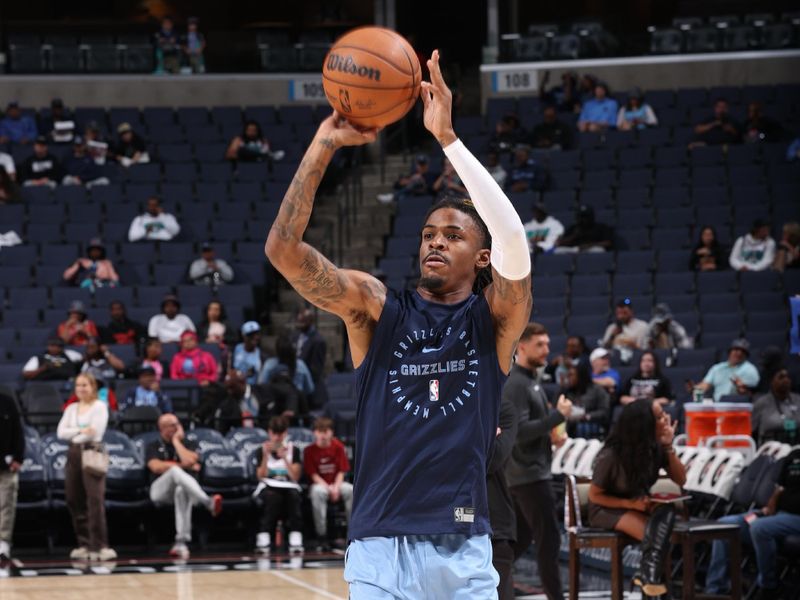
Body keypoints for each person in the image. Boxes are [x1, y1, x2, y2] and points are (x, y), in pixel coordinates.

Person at [265, 50, 531, 597]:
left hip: (462, 546)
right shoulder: (377, 308)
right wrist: (324, 144)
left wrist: (449, 140)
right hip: (379, 543)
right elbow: (283, 250)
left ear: (483, 258)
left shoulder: (494, 319)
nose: (436, 240)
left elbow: (515, 243)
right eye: (429, 232)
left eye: (454, 236)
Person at [588, 399, 686, 596]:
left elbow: (680, 479)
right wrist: (628, 503)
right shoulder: (612, 455)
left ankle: (647, 577)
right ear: (644, 424)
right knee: (655, 539)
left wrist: (668, 447)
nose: (666, 418)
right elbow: (594, 495)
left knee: (666, 511)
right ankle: (655, 586)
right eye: (659, 417)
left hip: (637, 504)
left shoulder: (655, 447)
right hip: (607, 508)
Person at [504, 323, 572, 600]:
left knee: (518, 543)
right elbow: (518, 433)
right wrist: (558, 416)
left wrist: (551, 436)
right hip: (529, 476)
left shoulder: (531, 380)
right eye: (539, 344)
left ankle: (491, 589)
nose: (546, 349)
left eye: (547, 343)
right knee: (549, 542)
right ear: (522, 346)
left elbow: (531, 428)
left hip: (527, 474)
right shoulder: (518, 383)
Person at [705, 446, 800, 599]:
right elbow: (780, 488)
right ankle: (715, 590)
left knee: (760, 528)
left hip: (796, 518)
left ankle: (769, 586)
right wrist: (769, 508)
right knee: (724, 525)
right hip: (778, 515)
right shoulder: (794, 455)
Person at [146, 413, 223, 559]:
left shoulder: (188, 443)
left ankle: (180, 543)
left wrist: (176, 442)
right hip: (159, 491)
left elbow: (191, 459)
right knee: (175, 471)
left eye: (177, 424)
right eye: (172, 425)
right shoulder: (153, 445)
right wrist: (181, 465)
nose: (177, 427)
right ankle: (208, 502)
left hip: (183, 492)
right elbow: (155, 467)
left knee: (182, 490)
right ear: (162, 428)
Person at [56, 373, 116, 561]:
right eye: (78, 385)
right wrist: (81, 431)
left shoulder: (99, 406)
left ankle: (100, 545)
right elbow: (60, 433)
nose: (81, 389)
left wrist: (76, 435)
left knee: (94, 499)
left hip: (93, 451)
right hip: (73, 453)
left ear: (93, 387)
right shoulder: (72, 408)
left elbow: (95, 433)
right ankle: (84, 543)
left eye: (85, 385)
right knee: (74, 497)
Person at [253, 416, 304, 554]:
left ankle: (296, 536)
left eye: (280, 434)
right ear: (269, 432)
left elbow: (295, 476)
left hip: (289, 486)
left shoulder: (294, 450)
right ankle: (264, 537)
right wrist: (265, 455)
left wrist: (285, 458)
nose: (277, 437)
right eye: (274, 433)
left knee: (293, 497)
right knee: (272, 498)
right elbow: (260, 475)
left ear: (285, 433)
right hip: (268, 486)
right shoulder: (261, 450)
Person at [303, 417, 353, 550]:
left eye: (326, 431)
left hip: (337, 483)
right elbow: (313, 475)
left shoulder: (338, 447)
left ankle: (352, 534)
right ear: (315, 433)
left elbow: (341, 471)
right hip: (320, 484)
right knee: (318, 492)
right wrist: (328, 488)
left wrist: (335, 488)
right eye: (320, 431)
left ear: (331, 432)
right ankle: (322, 536)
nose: (323, 435)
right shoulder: (309, 450)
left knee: (350, 490)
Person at [258, 330, 314, 412]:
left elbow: (261, 386)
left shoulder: (269, 365)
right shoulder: (301, 365)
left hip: (275, 409)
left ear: (277, 350)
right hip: (297, 408)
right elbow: (310, 389)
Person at [693, 338, 760, 401]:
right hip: (717, 405)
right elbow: (704, 386)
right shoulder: (717, 368)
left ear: (746, 355)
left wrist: (742, 388)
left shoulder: (750, 370)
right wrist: (694, 389)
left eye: (743, 351)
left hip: (738, 405)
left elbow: (752, 394)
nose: (739, 353)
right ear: (729, 352)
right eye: (736, 349)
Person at [0, 389, 23, 565]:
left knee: (6, 505)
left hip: (6, 466)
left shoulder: (7, 401)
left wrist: (18, 458)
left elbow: (18, 431)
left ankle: (3, 544)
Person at [618, 351, 673, 422]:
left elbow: (667, 399)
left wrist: (647, 403)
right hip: (633, 410)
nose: (646, 363)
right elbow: (622, 398)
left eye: (650, 361)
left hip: (652, 410)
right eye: (643, 360)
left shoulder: (662, 380)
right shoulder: (632, 379)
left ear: (655, 363)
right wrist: (636, 402)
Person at [752, 367, 800, 445]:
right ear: (772, 381)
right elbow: (752, 431)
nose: (786, 380)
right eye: (781, 377)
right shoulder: (761, 403)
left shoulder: (798, 400)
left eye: (788, 377)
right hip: (770, 449)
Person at [565, 360, 611, 437]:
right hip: (571, 423)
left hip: (591, 423)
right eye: (568, 375)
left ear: (580, 376)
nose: (569, 378)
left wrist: (587, 416)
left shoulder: (597, 390)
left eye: (571, 375)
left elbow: (604, 412)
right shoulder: (567, 391)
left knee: (582, 427)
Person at [293, 308, 328, 409]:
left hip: (313, 391)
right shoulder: (295, 336)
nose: (299, 325)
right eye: (298, 321)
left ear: (310, 321)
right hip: (298, 388)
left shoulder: (318, 341)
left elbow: (316, 370)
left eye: (302, 322)